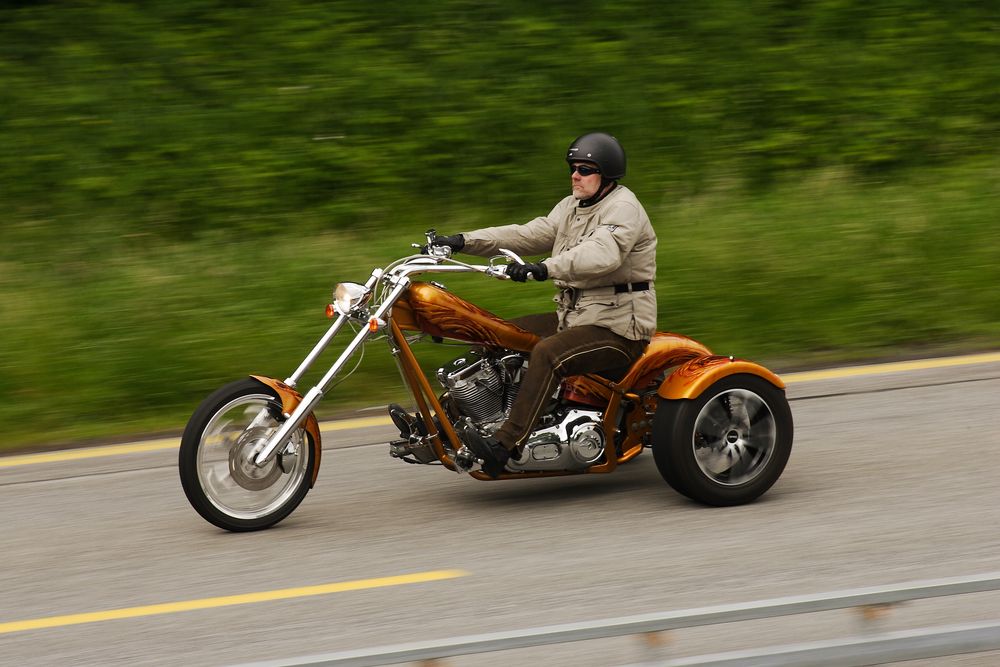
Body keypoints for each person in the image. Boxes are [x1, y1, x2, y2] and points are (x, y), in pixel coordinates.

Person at [427, 132, 657, 477]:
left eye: (584, 169)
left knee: (548, 354)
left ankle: (504, 445)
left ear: (607, 175)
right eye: (572, 168)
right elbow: (525, 234)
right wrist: (462, 241)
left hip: (619, 326)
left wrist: (544, 268)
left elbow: (601, 254)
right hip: (575, 317)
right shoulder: (572, 207)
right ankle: (441, 426)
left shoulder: (623, 208)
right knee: (496, 334)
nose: (574, 175)